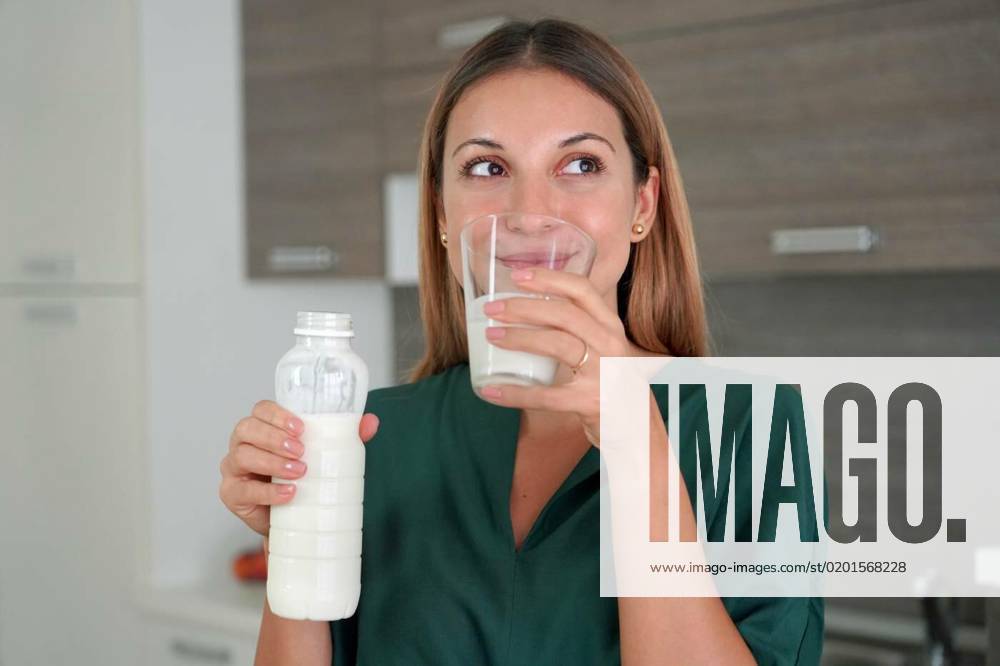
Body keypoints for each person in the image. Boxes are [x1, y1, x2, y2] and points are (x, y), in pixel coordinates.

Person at [219, 18, 824, 665]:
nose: (530, 212)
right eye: (487, 166)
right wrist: (297, 539)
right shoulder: (370, 435)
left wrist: (634, 435)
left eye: (580, 163)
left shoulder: (750, 431)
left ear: (643, 205)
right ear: (443, 215)